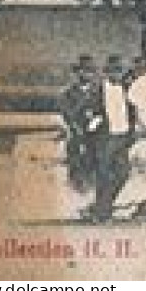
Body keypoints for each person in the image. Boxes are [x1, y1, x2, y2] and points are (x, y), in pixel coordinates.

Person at [84, 54, 136, 222]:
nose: (117, 75)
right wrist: (93, 127)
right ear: (107, 72)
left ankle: (103, 207)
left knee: (123, 174)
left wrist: (130, 133)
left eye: (120, 71)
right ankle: (102, 212)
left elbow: (132, 112)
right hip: (105, 137)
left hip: (122, 137)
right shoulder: (98, 89)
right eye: (113, 71)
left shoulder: (127, 89)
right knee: (104, 175)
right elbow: (89, 110)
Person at [60, 55, 100, 195]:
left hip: (95, 133)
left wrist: (95, 123)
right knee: (74, 157)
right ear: (77, 73)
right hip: (76, 132)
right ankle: (76, 187)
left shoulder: (99, 92)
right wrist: (76, 128)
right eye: (83, 71)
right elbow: (67, 114)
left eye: (89, 71)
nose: (86, 74)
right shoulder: (67, 93)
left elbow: (101, 111)